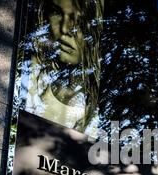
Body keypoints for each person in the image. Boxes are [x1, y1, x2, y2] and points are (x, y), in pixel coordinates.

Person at [25, 0, 104, 136]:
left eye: (78, 20)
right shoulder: (28, 73)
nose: (65, 29)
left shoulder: (96, 107)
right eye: (57, 13)